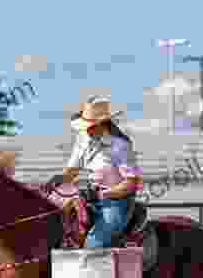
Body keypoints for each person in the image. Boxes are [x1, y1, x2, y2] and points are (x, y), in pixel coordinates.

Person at [52, 96, 143, 248]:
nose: (86, 129)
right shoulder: (83, 138)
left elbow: (132, 183)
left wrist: (103, 194)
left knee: (94, 244)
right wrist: (58, 179)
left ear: (102, 124)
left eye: (90, 126)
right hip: (92, 197)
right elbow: (72, 171)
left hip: (117, 202)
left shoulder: (119, 145)